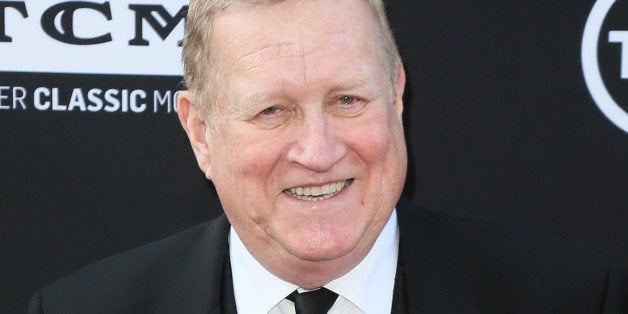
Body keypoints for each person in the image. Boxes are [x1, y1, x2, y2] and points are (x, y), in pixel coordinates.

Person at [29, 0, 626, 313]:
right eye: (272, 111)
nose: (319, 152)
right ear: (200, 133)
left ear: (396, 96)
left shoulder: (570, 298)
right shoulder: (77, 310)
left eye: (347, 99)